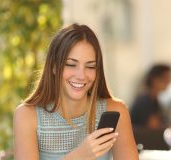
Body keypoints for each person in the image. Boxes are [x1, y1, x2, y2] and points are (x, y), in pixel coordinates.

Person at [13, 24, 138, 160]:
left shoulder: (116, 110)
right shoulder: (28, 116)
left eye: (90, 66)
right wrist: (80, 156)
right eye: (71, 64)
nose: (81, 75)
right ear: (54, 66)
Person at [130, 64, 171, 130]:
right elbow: (154, 127)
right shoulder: (144, 100)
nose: (169, 81)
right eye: (166, 78)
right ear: (155, 80)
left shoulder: (154, 99)